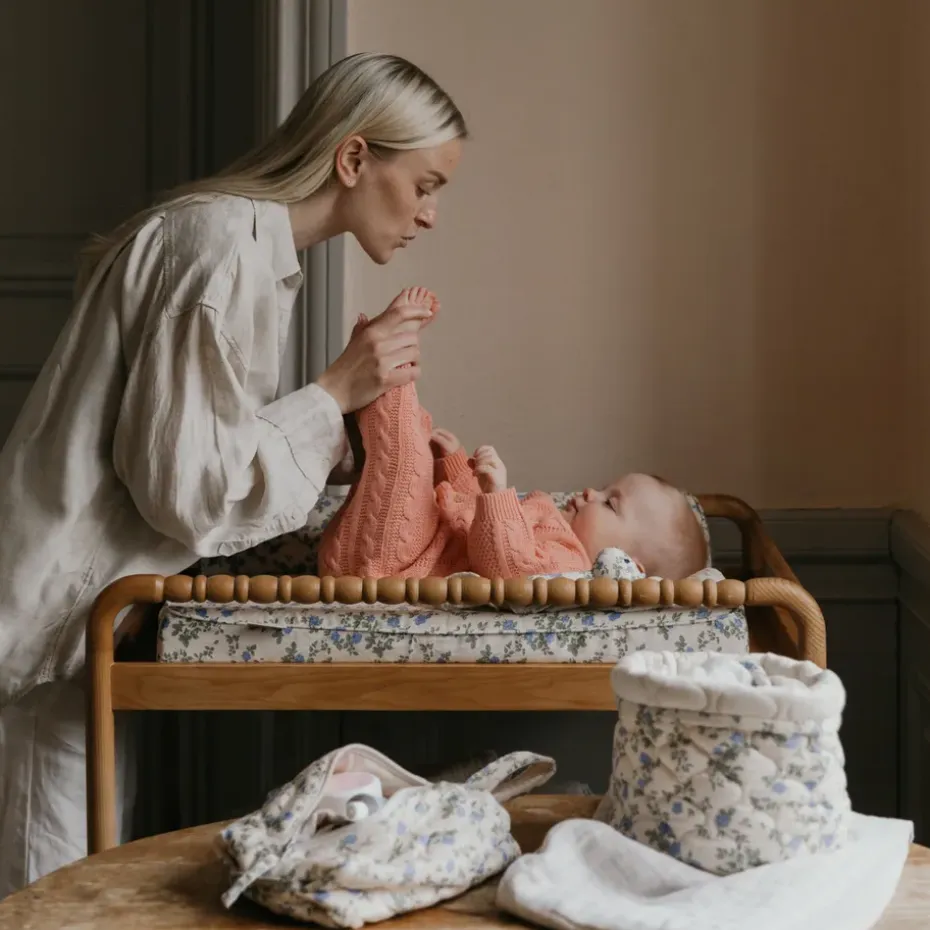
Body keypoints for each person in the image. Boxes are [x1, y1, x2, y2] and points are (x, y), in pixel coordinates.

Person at [0, 52, 467, 897]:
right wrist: (334, 392)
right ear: (354, 158)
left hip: (80, 618)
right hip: (50, 623)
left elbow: (197, 447)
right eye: (424, 185)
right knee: (52, 891)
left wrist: (354, 433)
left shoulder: (244, 246)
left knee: (73, 872)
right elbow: (186, 492)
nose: (430, 215)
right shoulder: (220, 246)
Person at [319, 287, 707, 582]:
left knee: (408, 461)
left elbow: (509, 570)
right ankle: (371, 377)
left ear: (623, 565)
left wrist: (497, 496)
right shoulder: (552, 523)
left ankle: (387, 360)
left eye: (610, 504)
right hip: (402, 548)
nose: (592, 492)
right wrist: (458, 467)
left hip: (392, 569)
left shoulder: (569, 569)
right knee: (416, 442)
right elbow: (471, 521)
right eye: (605, 488)